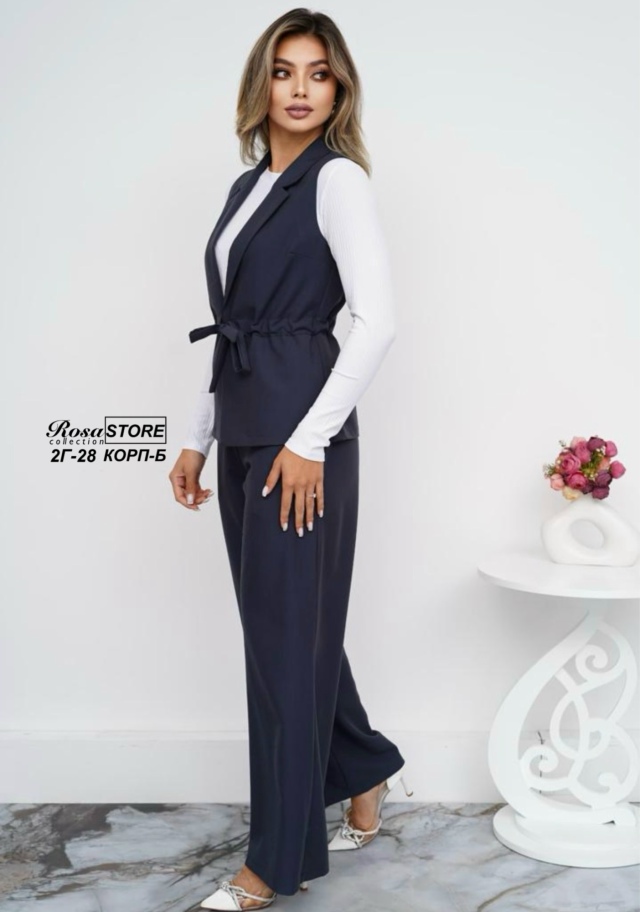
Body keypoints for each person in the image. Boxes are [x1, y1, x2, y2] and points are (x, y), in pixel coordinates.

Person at [168, 9, 412, 911]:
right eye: (283, 71)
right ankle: (365, 765)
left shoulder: (337, 179)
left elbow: (376, 322)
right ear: (261, 85)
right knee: (286, 633)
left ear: (338, 88)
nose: (300, 88)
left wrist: (308, 443)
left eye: (318, 72)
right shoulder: (246, 188)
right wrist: (196, 435)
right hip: (243, 431)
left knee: (279, 645)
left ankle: (276, 860)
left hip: (299, 441)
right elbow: (232, 325)